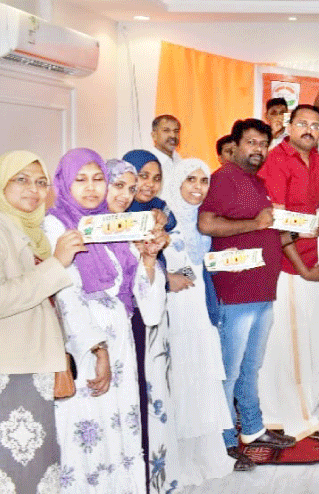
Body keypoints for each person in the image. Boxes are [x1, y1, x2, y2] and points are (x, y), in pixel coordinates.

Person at [44, 148, 167, 493]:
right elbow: (66, 295)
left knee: (119, 434)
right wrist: (97, 350)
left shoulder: (113, 229)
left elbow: (149, 307)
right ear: (64, 183)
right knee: (86, 434)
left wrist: (148, 259)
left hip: (121, 346)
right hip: (83, 347)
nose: (91, 188)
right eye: (81, 179)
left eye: (98, 179)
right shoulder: (57, 225)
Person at [198, 118, 294, 471]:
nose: (258, 149)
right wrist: (256, 224)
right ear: (235, 146)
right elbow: (207, 223)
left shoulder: (256, 181)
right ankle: (225, 441)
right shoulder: (224, 178)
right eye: (251, 142)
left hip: (261, 290)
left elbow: (264, 228)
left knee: (250, 367)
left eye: (263, 144)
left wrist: (292, 229)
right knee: (229, 371)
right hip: (236, 292)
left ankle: (252, 429)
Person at [0, 150, 85, 493]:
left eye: (40, 182)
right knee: (15, 472)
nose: (33, 190)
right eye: (21, 180)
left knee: (37, 469)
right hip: (10, 367)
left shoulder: (32, 231)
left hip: (34, 363)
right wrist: (56, 264)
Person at [257, 105, 319, 440]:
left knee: (310, 343)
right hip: (289, 268)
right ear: (289, 126)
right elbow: (277, 223)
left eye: (315, 125)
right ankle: (301, 419)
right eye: (302, 123)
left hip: (313, 264)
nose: (309, 130)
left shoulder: (316, 159)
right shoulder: (277, 160)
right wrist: (302, 270)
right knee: (294, 345)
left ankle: (283, 414)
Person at [164, 158, 234, 484]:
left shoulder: (203, 218)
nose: (197, 187)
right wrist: (186, 273)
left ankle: (203, 456)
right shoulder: (164, 216)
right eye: (190, 179)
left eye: (204, 180)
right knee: (180, 378)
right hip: (174, 307)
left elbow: (202, 265)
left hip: (199, 305)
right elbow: (160, 265)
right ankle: (179, 459)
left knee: (200, 377)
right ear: (177, 181)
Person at [122, 148, 184, 491]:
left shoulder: (157, 209)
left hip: (155, 302)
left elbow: (171, 223)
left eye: (156, 178)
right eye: (141, 176)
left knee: (156, 382)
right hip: (131, 309)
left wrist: (159, 221)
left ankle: (155, 468)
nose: (148, 184)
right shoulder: (116, 216)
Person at [150, 114, 182, 196]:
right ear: (154, 135)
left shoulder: (180, 161)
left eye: (176, 131)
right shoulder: (148, 163)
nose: (173, 135)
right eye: (166, 131)